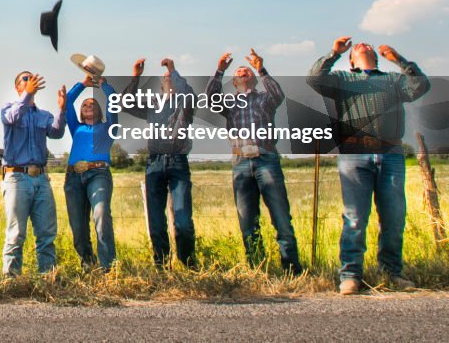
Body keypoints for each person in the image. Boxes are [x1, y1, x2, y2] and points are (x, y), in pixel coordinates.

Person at [307, 36, 430, 295]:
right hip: (354, 154)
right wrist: (334, 52)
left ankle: (392, 273)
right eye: (357, 47)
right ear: (351, 61)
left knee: (394, 217)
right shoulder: (343, 80)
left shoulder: (394, 81)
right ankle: (351, 275)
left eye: (368, 45)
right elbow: (314, 79)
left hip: (390, 152)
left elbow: (420, 86)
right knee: (354, 218)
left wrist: (400, 61)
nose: (363, 45)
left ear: (376, 56)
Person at [207, 49, 302, 274]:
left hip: (266, 158)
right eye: (239, 72)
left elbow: (278, 94)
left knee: (281, 217)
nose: (243, 73)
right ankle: (257, 269)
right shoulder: (229, 103)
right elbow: (211, 99)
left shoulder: (265, 99)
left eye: (246, 71)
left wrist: (261, 69)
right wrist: (220, 70)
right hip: (240, 162)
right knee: (248, 221)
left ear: (252, 78)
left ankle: (292, 269)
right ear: (234, 80)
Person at [122, 58, 197, 268]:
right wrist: (135, 77)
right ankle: (161, 266)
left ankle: (189, 264)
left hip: (178, 163)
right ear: (161, 85)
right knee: (156, 223)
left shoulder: (185, 105)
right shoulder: (152, 105)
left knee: (183, 221)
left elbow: (189, 95)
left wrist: (172, 70)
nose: (170, 81)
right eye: (166, 79)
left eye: (173, 79)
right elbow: (126, 104)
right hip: (154, 163)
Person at [0, 71, 66, 275]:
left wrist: (62, 110)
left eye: (31, 78)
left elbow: (56, 133)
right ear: (18, 87)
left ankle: (47, 278)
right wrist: (26, 96)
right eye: (25, 79)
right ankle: (11, 281)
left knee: (46, 233)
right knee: (16, 234)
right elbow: (12, 118)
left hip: (41, 178)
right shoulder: (8, 109)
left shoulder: (43, 115)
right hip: (17, 178)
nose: (30, 81)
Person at [62, 74, 118, 271]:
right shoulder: (76, 127)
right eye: (84, 105)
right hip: (73, 177)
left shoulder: (108, 127)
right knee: (78, 226)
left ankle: (108, 268)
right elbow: (67, 101)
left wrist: (104, 86)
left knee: (101, 214)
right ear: (80, 111)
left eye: (92, 104)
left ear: (99, 109)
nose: (88, 106)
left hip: (98, 174)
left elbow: (114, 105)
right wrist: (82, 85)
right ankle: (88, 265)